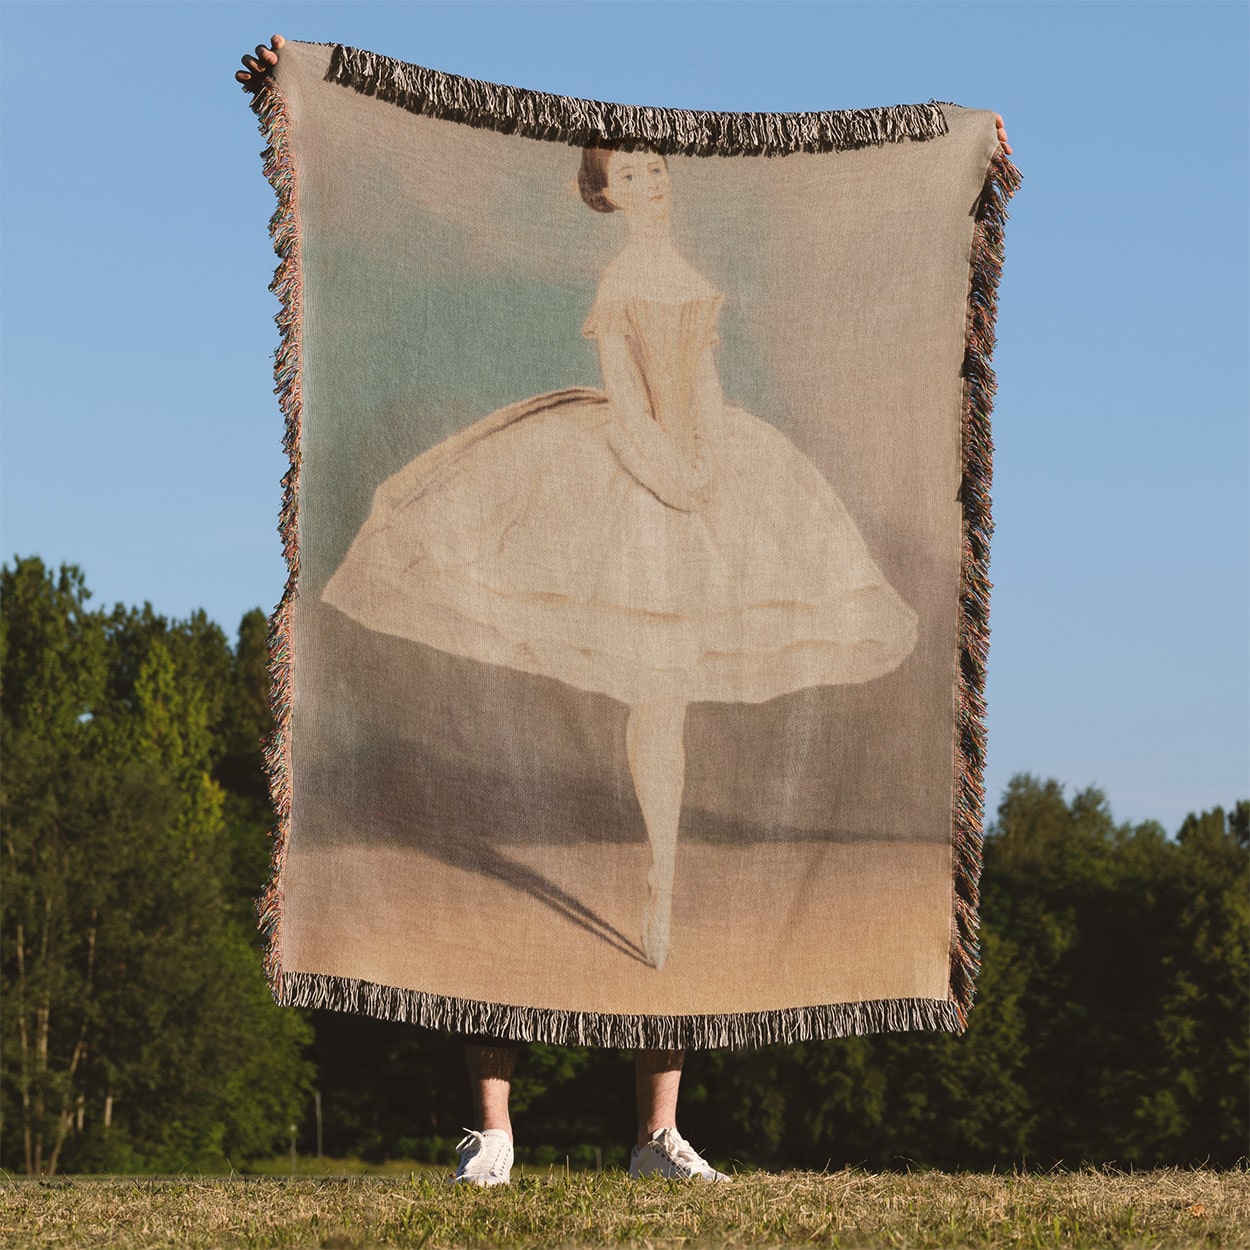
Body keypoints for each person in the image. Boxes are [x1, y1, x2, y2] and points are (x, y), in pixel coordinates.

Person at [236, 35, 1012, 1187]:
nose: (644, 182)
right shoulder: (622, 280)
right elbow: (637, 401)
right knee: (520, 742)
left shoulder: (684, 264)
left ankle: (655, 1123)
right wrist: (669, 467)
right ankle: (494, 1124)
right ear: (600, 194)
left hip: (705, 474)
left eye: (655, 170)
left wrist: (963, 155)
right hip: (629, 472)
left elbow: (701, 383)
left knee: (667, 730)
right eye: (624, 175)